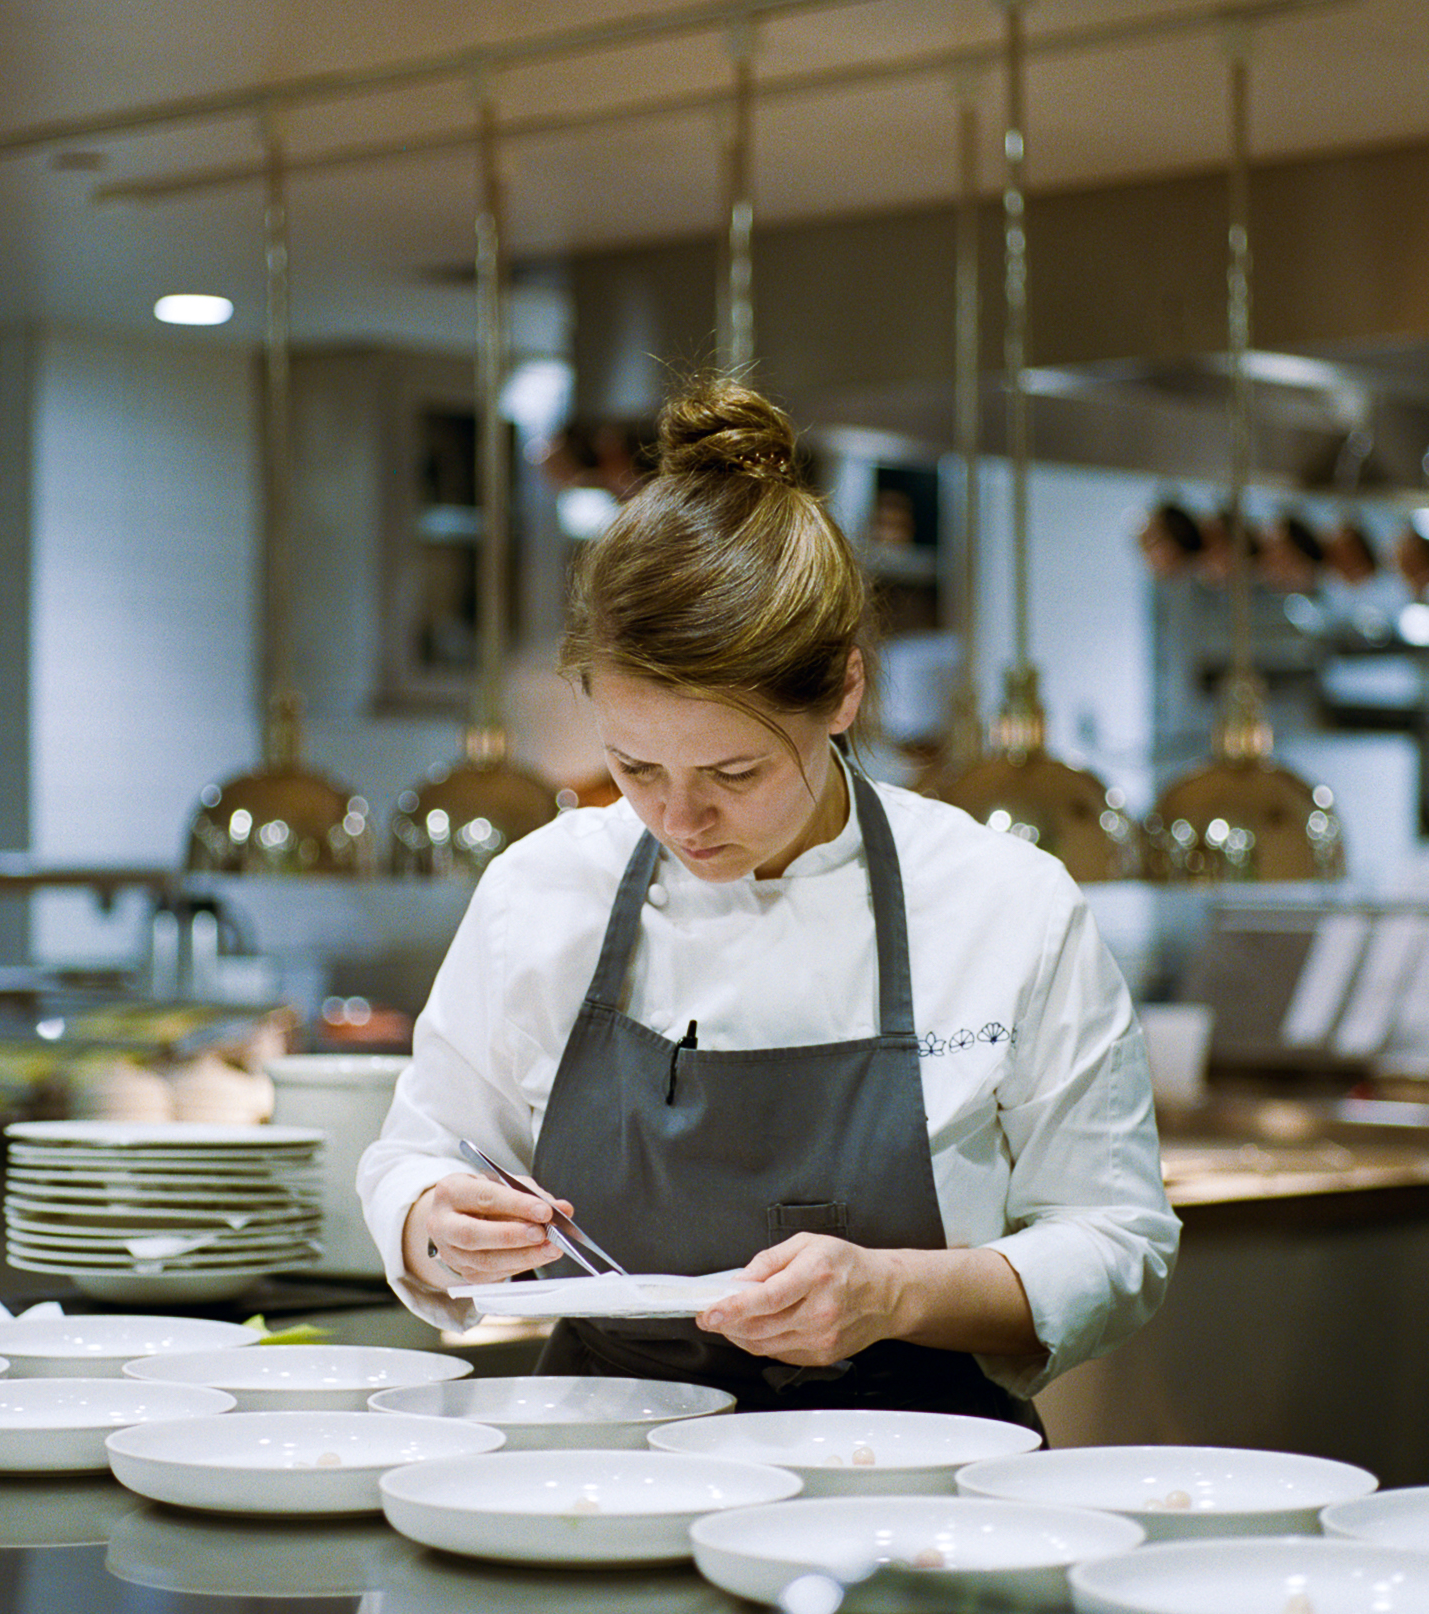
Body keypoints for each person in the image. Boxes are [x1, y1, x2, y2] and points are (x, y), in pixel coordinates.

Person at [359, 376, 1178, 1428]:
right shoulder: (538, 890)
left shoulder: (1003, 903)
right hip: (603, 1466)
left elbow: (1116, 1239)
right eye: (635, 766)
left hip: (914, 1474)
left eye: (735, 773)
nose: (681, 818)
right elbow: (417, 1150)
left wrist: (894, 1293)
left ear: (844, 691)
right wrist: (432, 1218)